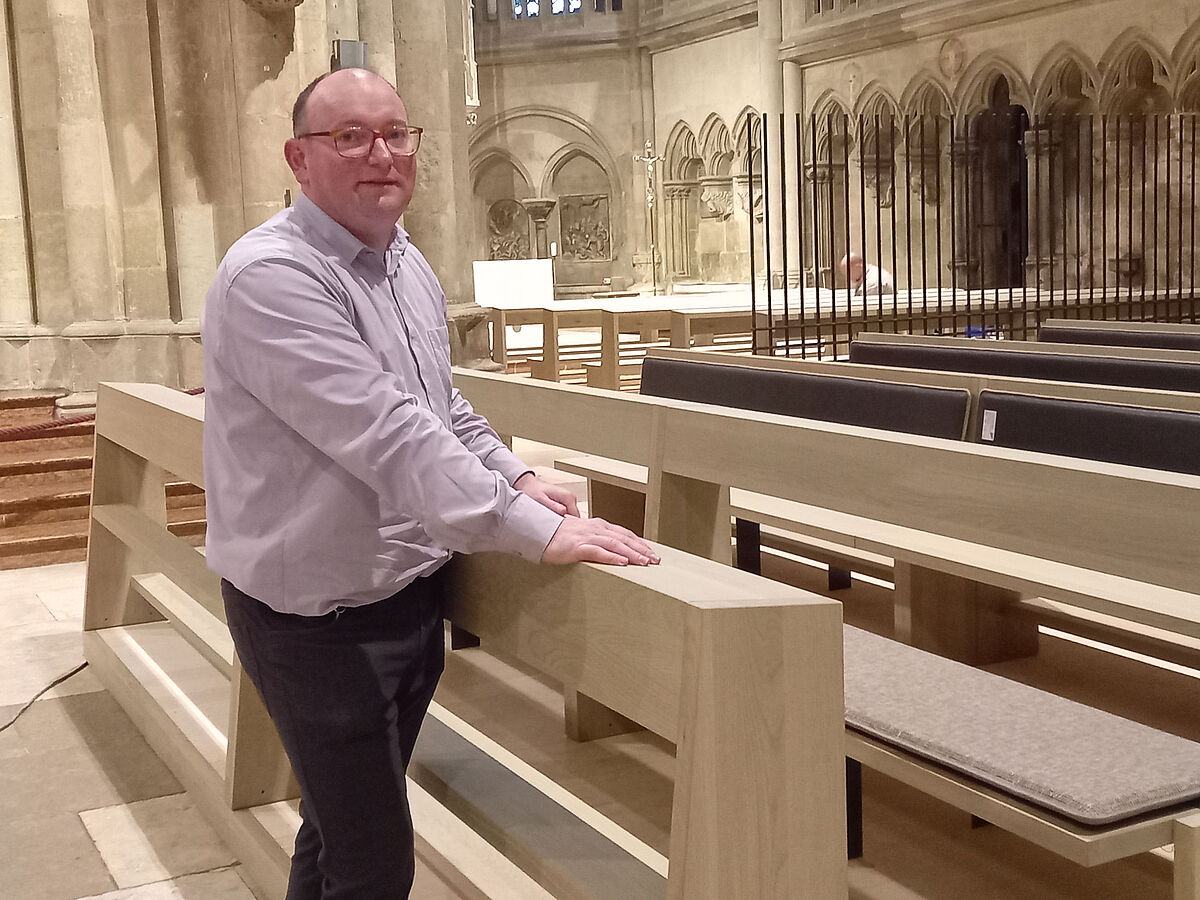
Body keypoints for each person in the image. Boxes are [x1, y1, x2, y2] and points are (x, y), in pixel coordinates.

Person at [201, 67, 658, 899]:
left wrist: (517, 474)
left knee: (340, 839)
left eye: (396, 133)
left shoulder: (404, 262)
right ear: (298, 160)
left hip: (410, 595)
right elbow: (384, 432)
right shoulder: (271, 275)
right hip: (317, 621)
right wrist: (531, 530)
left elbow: (439, 405)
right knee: (374, 862)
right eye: (349, 136)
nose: (381, 154)